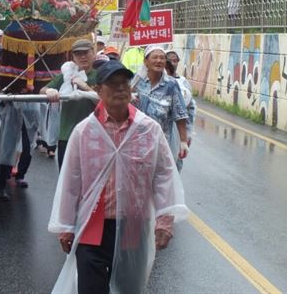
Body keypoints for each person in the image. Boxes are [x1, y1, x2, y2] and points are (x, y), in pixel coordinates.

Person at [48, 60, 188, 294]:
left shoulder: (148, 129)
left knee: (128, 289)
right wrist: (66, 227)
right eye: (112, 84)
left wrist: (165, 220)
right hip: (92, 226)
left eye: (124, 83)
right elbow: (71, 182)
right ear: (98, 90)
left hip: (133, 226)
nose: (121, 88)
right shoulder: (84, 132)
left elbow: (163, 174)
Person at [41, 39, 98, 170]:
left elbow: (106, 100)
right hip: (67, 136)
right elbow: (43, 90)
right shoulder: (66, 76)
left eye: (86, 53)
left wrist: (85, 87)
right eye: (78, 54)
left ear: (93, 54)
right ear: (73, 57)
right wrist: (50, 90)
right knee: (66, 179)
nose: (83, 57)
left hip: (93, 136)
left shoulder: (100, 76)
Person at [134, 45, 190, 171]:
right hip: (137, 143)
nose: (159, 61)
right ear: (146, 62)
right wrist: (136, 80)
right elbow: (125, 100)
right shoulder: (138, 81)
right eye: (155, 57)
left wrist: (183, 141)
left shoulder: (171, 85)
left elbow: (180, 114)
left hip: (161, 144)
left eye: (162, 58)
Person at [165, 50, 196, 151]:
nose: (173, 63)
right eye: (170, 61)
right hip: (163, 128)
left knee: (176, 159)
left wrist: (188, 133)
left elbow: (191, 108)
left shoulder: (183, 82)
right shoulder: (158, 81)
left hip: (178, 128)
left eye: (175, 60)